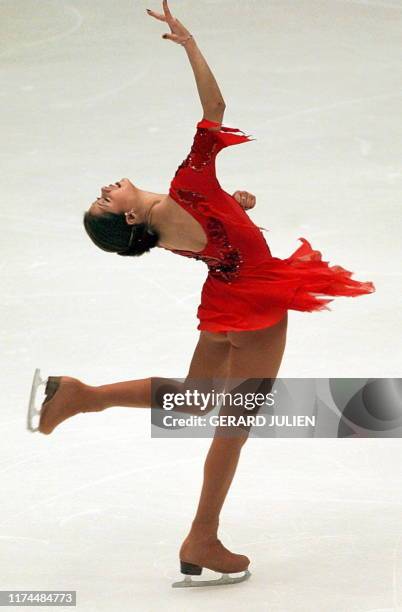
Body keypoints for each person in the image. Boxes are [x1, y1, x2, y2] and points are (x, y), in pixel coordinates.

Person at [28, 1, 375, 587]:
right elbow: (215, 109)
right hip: (256, 303)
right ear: (133, 217)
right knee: (235, 420)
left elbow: (213, 240)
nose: (107, 188)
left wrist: (232, 207)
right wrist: (189, 44)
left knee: (194, 399)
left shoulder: (164, 227)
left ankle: (84, 396)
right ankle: (204, 536)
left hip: (221, 304)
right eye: (106, 200)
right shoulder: (188, 184)